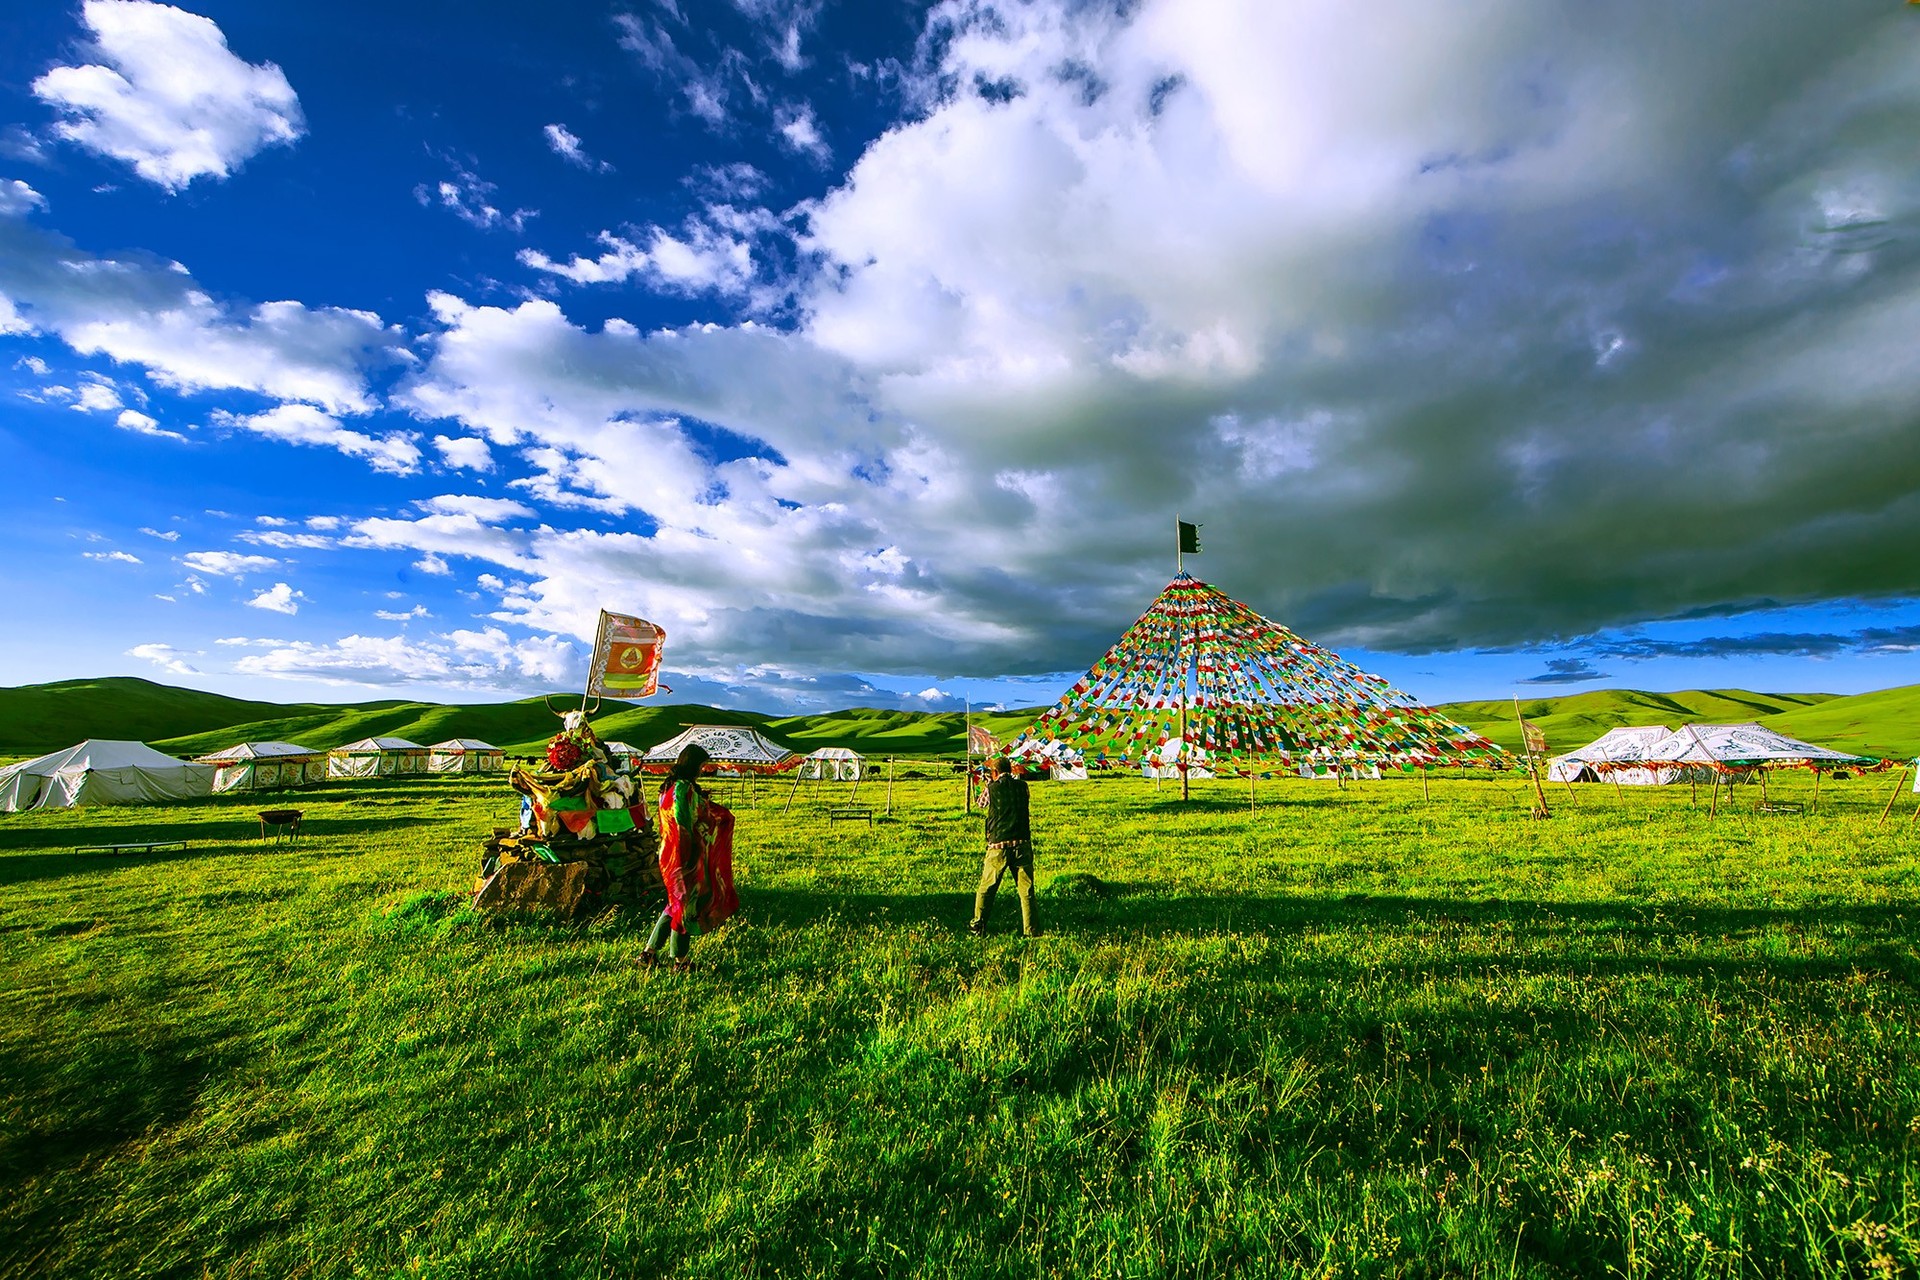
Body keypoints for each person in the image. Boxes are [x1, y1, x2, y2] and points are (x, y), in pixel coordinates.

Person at [639, 743, 738, 972]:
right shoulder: (683, 788)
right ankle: (680, 961)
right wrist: (710, 819)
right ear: (693, 765)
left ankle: (648, 954)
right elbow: (684, 820)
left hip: (667, 853)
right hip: (684, 854)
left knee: (674, 904)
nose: (702, 771)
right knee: (686, 907)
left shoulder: (667, 787)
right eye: (701, 766)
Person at [970, 755, 1038, 937]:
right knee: (1026, 890)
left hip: (998, 845)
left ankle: (978, 925)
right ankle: (1031, 930)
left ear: (994, 772)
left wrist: (984, 784)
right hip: (1022, 843)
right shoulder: (1023, 786)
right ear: (1011, 769)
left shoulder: (991, 788)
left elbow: (980, 803)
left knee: (987, 888)